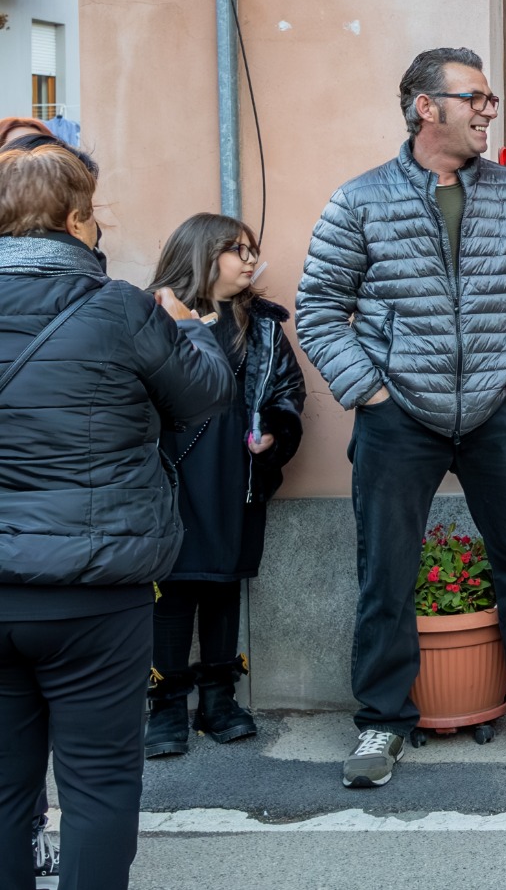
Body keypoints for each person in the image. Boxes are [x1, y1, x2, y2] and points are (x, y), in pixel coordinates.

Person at [296, 46, 506, 790]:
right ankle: (380, 723)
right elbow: (320, 307)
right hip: (399, 414)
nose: (488, 109)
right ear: (427, 106)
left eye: (488, 98)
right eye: (476, 97)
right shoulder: (359, 200)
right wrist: (368, 389)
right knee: (385, 574)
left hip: (495, 409)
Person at [0, 135, 234, 889]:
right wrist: (188, 325)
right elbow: (203, 394)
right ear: (75, 221)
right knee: (99, 781)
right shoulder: (122, 309)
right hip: (96, 590)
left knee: (5, 789)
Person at [142, 214, 306, 758]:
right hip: (170, 475)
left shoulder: (260, 323)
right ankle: (166, 706)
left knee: (222, 585)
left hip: (237, 475)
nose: (250, 259)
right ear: (202, 255)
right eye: (238, 249)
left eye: (252, 249)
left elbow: (287, 390)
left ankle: (218, 701)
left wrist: (277, 432)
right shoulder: (151, 314)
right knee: (172, 591)